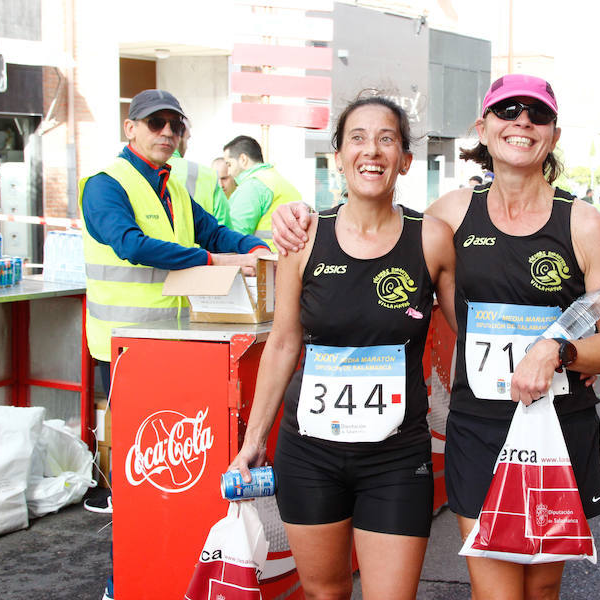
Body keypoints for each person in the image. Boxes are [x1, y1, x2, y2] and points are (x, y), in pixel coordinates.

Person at [269, 74, 600, 600]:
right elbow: (373, 218)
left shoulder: (584, 224)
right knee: (496, 592)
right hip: (481, 430)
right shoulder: (448, 217)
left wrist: (559, 350)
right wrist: (300, 216)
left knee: (541, 588)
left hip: (559, 427)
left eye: (537, 115)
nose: (522, 122)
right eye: (508, 111)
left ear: (553, 135)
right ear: (483, 128)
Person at [228, 96, 456, 600]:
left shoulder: (432, 239)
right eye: (357, 138)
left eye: (386, 139)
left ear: (405, 159)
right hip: (309, 453)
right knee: (324, 593)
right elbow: (284, 342)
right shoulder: (305, 236)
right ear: (337, 155)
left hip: (396, 458)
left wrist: (558, 355)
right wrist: (252, 442)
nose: (371, 151)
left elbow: (470, 331)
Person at [78, 88, 270, 600]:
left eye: (176, 125)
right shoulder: (105, 186)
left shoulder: (174, 189)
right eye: (156, 122)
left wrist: (260, 248)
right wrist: (213, 262)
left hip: (182, 352)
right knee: (140, 485)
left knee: (183, 476)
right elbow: (131, 245)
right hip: (126, 353)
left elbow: (217, 232)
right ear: (130, 128)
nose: (167, 132)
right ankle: (126, 583)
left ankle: (177, 573)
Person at [223, 134, 302, 251]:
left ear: (243, 159)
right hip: (288, 258)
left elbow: (234, 236)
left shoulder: (251, 186)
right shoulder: (277, 180)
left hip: (265, 262)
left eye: (229, 164)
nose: (228, 172)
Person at [167, 123, 232, 228]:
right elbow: (224, 230)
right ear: (179, 138)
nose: (187, 146)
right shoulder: (208, 176)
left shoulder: (137, 170)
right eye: (187, 139)